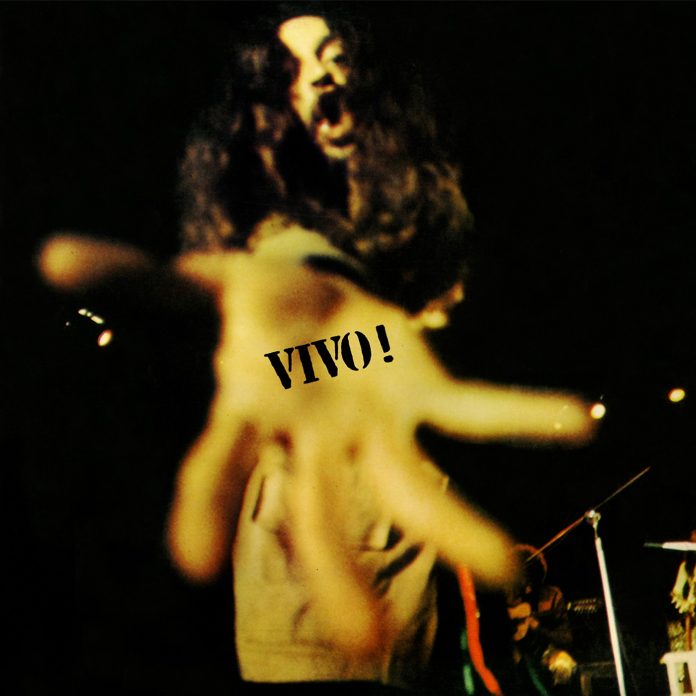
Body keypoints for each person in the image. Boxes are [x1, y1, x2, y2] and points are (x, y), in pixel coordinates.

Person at [37, 5, 595, 694]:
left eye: (334, 58)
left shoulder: (420, 220)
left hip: (414, 595)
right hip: (305, 607)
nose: (318, 80)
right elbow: (289, 303)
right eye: (288, 71)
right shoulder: (262, 239)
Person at [506, 545, 577, 695]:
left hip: (544, 653)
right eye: (522, 581)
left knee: (563, 665)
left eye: (531, 581)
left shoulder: (552, 595)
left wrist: (537, 627)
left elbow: (566, 638)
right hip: (510, 653)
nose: (528, 589)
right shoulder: (503, 595)